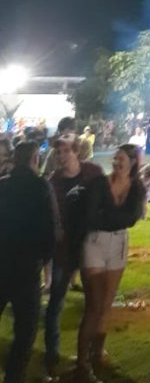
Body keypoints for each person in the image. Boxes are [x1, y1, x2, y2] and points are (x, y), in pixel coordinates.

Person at [77, 144, 145, 378]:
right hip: (95, 243)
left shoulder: (136, 187)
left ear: (133, 162)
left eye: (121, 159)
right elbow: (91, 217)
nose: (116, 163)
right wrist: (119, 219)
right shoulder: (99, 183)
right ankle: (82, 363)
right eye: (115, 159)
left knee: (106, 305)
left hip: (119, 245)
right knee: (94, 306)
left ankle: (98, 353)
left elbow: (133, 217)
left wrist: (110, 218)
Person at [45, 135, 103, 379]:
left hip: (90, 247)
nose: (60, 155)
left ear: (76, 152)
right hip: (63, 251)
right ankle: (52, 353)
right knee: (55, 304)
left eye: (65, 150)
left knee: (95, 304)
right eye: (57, 152)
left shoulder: (92, 173)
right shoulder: (53, 182)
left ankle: (92, 354)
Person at [0, 140, 56, 383]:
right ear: (35, 159)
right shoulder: (41, 187)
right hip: (26, 269)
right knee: (25, 330)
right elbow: (50, 230)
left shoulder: (2, 186)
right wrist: (47, 267)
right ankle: (14, 376)